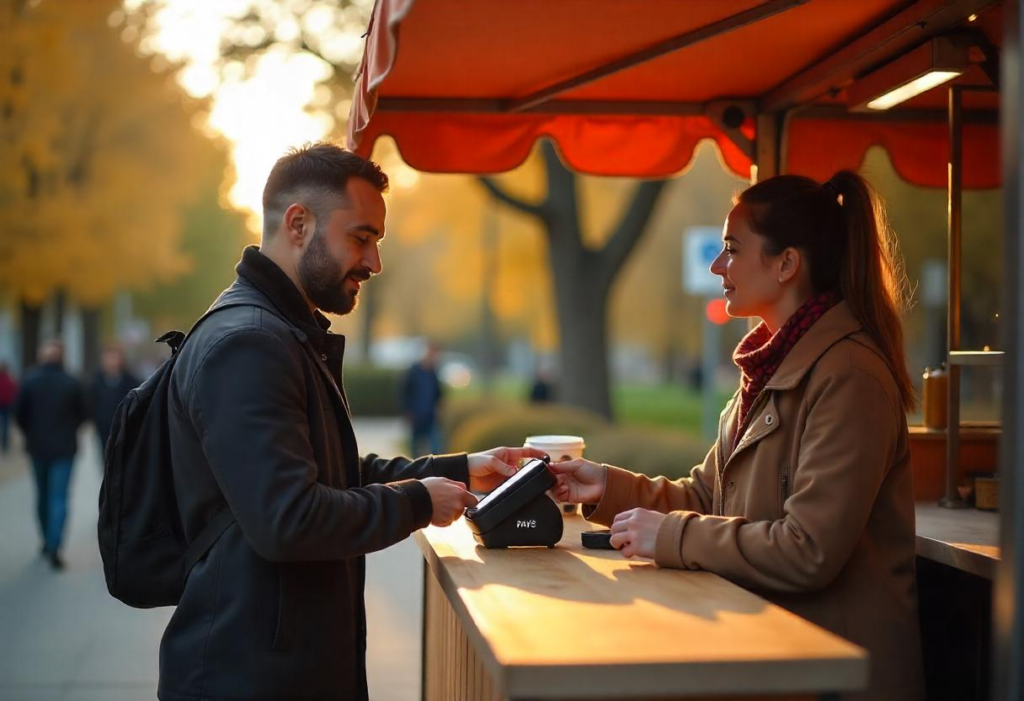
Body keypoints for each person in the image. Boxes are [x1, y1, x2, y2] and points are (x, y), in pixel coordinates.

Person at [160, 142, 544, 701]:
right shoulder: (249, 344)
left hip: (276, 668)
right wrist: (417, 502)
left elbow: (330, 473)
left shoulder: (280, 334)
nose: (374, 262)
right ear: (298, 224)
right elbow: (289, 518)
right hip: (250, 680)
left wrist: (462, 470)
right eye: (360, 238)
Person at [550, 172, 923, 701]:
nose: (716, 266)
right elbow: (708, 498)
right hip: (777, 658)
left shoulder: (850, 378)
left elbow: (808, 549)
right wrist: (605, 487)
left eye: (731, 249)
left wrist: (673, 536)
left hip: (833, 679)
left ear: (787, 264)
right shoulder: (771, 367)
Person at [14, 341, 88, 570]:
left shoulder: (29, 381)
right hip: (64, 448)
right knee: (59, 497)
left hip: (37, 448)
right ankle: (56, 544)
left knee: (42, 495)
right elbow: (84, 413)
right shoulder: (72, 382)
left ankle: (47, 539)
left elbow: (19, 414)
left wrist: (30, 433)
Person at [89, 345, 139, 461]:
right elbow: (91, 403)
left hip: (126, 427)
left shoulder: (131, 381)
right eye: (108, 358)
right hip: (104, 429)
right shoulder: (96, 381)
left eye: (114, 358)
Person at [401, 342, 444, 455]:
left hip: (430, 416)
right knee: (414, 448)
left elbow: (438, 393)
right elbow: (404, 392)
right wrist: (407, 411)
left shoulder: (433, 373)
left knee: (435, 446)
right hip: (416, 415)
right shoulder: (413, 371)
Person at [0, 362, 17, 454]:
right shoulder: (10, 380)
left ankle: (4, 442)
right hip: (7, 405)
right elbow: (14, 392)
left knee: (4, 425)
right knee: (5, 425)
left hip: (4, 405)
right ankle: (5, 444)